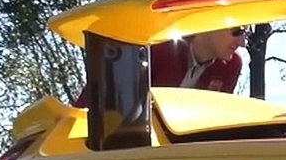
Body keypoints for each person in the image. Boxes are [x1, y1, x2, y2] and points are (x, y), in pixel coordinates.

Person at [72, 27, 248, 107]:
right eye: (237, 30)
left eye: (245, 33)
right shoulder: (154, 49)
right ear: (210, 23)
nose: (242, 41)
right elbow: (97, 100)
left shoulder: (231, 66)